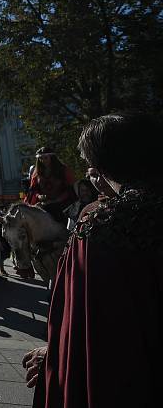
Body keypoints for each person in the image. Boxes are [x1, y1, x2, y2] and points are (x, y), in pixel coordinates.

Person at [25, 112, 162, 407]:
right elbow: (35, 189)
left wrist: (57, 355)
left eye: (91, 166)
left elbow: (87, 319)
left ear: (102, 165)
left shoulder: (100, 223)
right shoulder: (37, 173)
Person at [26, 147, 76, 224]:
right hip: (45, 204)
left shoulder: (63, 170)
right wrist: (39, 196)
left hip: (64, 203)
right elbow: (33, 191)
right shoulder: (36, 174)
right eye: (40, 158)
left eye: (46, 158)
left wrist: (56, 200)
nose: (43, 161)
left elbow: (71, 189)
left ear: (52, 157)